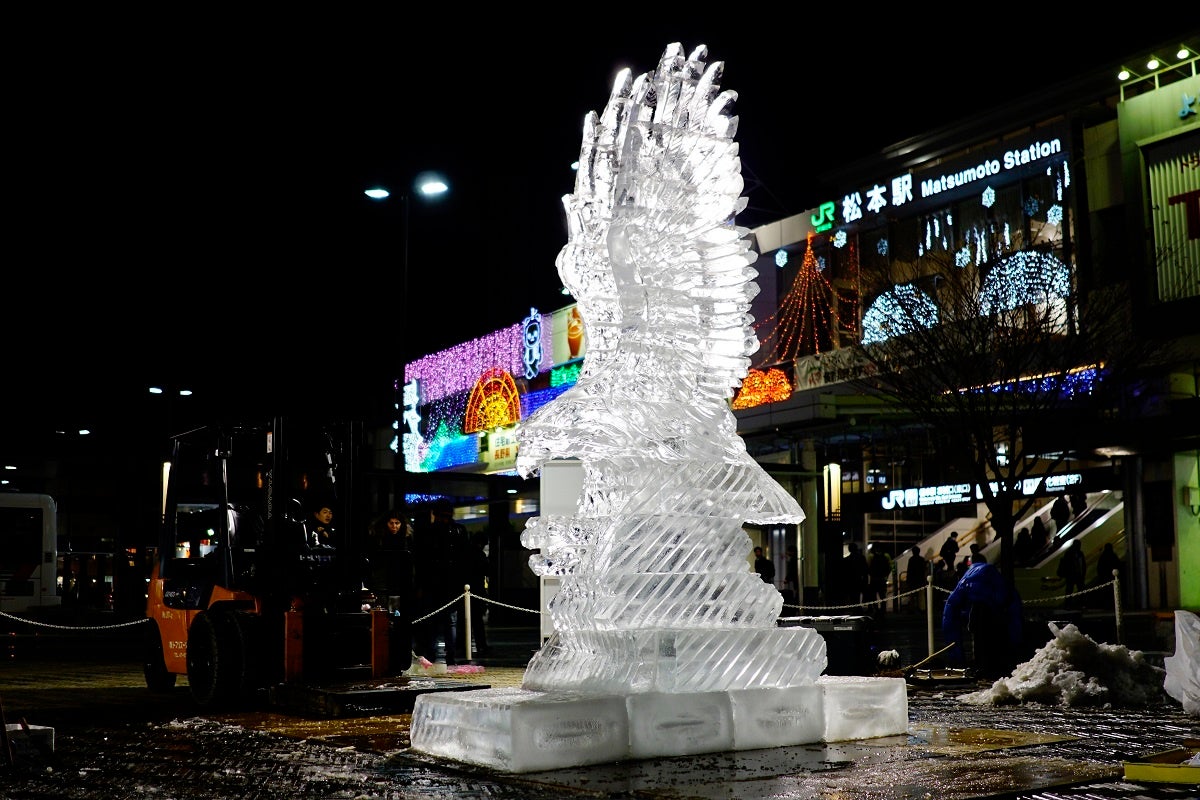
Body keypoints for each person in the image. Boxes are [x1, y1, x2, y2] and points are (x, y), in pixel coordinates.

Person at [411, 500, 470, 666]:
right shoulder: (458, 530)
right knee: (448, 622)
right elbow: (464, 559)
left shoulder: (427, 532)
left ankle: (433, 655)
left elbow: (421, 560)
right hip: (450, 583)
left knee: (434, 623)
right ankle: (448, 656)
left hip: (434, 583)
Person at [942, 560, 1023, 679]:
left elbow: (949, 618)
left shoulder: (965, 582)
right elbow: (1015, 615)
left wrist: (957, 657)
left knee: (979, 638)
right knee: (991, 641)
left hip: (979, 613)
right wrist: (1016, 644)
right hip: (995, 611)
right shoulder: (1002, 584)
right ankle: (991, 667)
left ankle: (982, 667)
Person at [462, 530, 492, 659]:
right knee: (478, 621)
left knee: (464, 622)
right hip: (478, 590)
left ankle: (462, 646)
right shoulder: (480, 555)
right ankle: (481, 645)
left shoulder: (464, 553)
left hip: (465, 590)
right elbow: (487, 570)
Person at [1056, 539, 1087, 607]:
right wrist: (1083, 573)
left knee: (1070, 590)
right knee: (1078, 590)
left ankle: (1069, 604)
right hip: (1075, 575)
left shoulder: (1069, 553)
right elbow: (1083, 564)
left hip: (1073, 575)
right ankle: (1079, 604)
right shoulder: (1079, 553)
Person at [841, 542, 869, 607]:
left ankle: (855, 609)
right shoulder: (862, 557)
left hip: (851, 581)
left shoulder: (847, 559)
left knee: (853, 597)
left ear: (849, 549)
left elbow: (845, 572)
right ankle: (859, 608)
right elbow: (865, 570)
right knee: (859, 596)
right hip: (860, 580)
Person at [867, 543, 892, 611]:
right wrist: (886, 575)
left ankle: (876, 610)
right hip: (882, 579)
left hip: (874, 579)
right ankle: (883, 610)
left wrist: (871, 575)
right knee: (883, 596)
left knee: (873, 596)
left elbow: (868, 567)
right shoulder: (886, 555)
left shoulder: (871, 556)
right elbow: (890, 567)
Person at [904, 545, 928, 612]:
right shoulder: (922, 559)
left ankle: (912, 609)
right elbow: (924, 569)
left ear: (913, 552)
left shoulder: (911, 559)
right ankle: (922, 608)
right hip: (920, 579)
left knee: (912, 595)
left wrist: (908, 580)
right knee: (921, 596)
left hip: (912, 580)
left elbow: (909, 570)